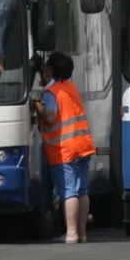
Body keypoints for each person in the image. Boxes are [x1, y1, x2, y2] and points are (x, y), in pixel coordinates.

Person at [32, 51, 96, 244]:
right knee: (82, 191)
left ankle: (71, 233)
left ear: (51, 70)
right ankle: (82, 234)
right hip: (83, 144)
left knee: (69, 192)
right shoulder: (71, 87)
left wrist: (36, 104)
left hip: (64, 149)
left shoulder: (52, 92)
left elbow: (50, 116)